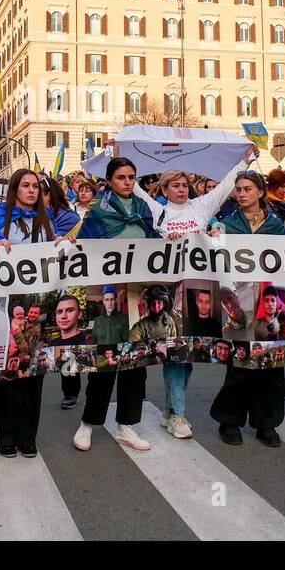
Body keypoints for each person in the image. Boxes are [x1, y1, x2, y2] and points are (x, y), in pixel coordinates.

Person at [131, 151, 254, 438]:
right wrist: (118, 155)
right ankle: (177, 414)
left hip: (200, 292)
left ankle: (171, 409)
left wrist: (244, 162)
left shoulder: (201, 207)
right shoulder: (157, 210)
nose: (181, 189)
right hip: (170, 294)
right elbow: (133, 187)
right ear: (164, 190)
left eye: (184, 184)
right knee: (175, 353)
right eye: (175, 185)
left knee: (190, 354)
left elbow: (226, 186)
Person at [74, 157, 158, 452]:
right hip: (107, 293)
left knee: (135, 362)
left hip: (136, 294)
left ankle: (127, 425)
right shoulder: (98, 210)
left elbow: (154, 240)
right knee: (104, 360)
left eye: (132, 177)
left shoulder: (144, 208)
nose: (127, 182)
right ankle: (88, 423)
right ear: (110, 180)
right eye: (121, 177)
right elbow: (83, 245)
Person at [210, 176, 285, 446]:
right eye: (239, 190)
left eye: (247, 189)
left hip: (270, 301)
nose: (241, 194)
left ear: (260, 192)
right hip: (241, 301)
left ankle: (266, 422)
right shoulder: (228, 224)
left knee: (271, 366)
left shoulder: (277, 225)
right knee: (240, 364)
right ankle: (230, 420)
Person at [0, 169, 53, 457]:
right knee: (4, 373)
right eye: (25, 186)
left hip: (36, 305)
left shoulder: (46, 221)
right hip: (4, 305)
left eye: (35, 186)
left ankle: (28, 436)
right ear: (15, 189)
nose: (31, 190)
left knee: (33, 373)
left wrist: (63, 245)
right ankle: (6, 436)